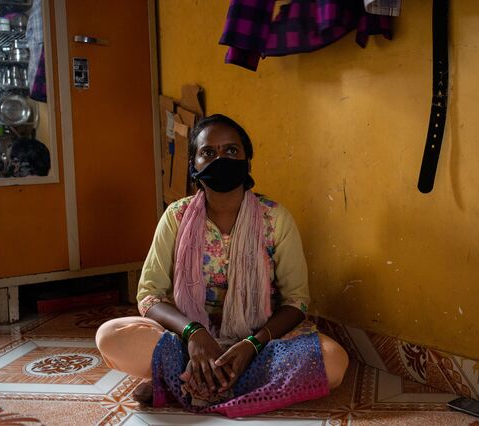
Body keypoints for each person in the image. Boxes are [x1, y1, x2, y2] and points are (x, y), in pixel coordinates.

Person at [96, 114, 348, 417]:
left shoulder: (275, 219)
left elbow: (297, 301)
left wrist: (251, 345)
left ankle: (185, 382)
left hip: (259, 343)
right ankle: (219, 376)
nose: (220, 159)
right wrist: (195, 334)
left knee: (334, 362)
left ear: (247, 163)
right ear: (195, 165)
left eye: (231, 151)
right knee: (110, 336)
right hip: (186, 341)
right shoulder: (176, 217)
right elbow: (150, 295)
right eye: (208, 152)